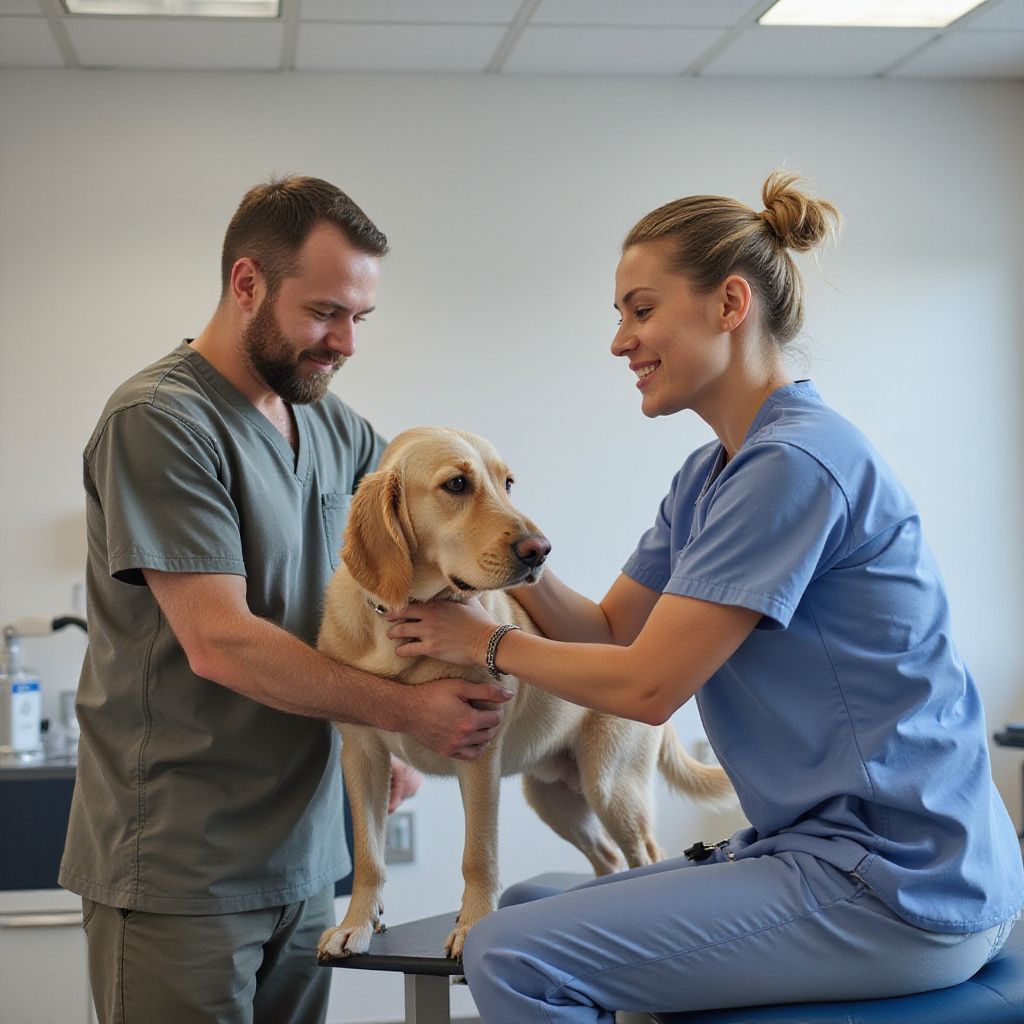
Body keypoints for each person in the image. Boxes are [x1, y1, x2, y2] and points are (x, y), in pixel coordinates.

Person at [384, 171, 1024, 1021]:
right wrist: (509, 557)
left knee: (509, 954)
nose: (620, 341)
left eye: (640, 311)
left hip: (898, 883)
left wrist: (482, 642)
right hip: (840, 854)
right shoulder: (709, 476)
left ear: (730, 304)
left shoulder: (792, 464)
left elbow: (648, 689)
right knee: (535, 921)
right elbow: (611, 631)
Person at [59, 176, 512, 1024]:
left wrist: (404, 722)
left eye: (358, 320)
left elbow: (394, 587)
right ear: (246, 284)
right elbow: (220, 642)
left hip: (308, 863)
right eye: (324, 313)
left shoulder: (340, 431)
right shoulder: (162, 421)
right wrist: (404, 711)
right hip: (180, 868)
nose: (343, 342)